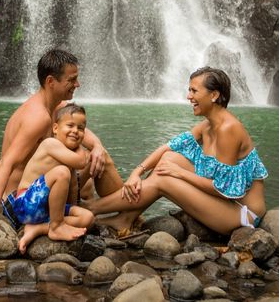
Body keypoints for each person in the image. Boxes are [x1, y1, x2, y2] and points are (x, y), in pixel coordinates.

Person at [0, 49, 123, 251]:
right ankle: (126, 214)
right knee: (84, 171)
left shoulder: (57, 106)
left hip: (42, 191)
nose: (78, 84)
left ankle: (125, 215)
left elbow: (86, 134)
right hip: (22, 203)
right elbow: (5, 163)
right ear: (51, 82)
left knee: (98, 161)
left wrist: (98, 147)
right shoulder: (38, 118)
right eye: (72, 79)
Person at [85, 67, 268, 235]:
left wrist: (179, 173)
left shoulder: (228, 129)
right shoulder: (208, 125)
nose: (189, 96)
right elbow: (169, 147)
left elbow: (223, 190)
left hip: (242, 214)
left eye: (194, 91)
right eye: (189, 90)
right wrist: (136, 172)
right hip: (226, 203)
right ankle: (125, 219)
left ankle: (91, 208)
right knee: (169, 158)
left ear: (214, 95)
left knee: (164, 178)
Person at [4, 103, 94, 254]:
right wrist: (80, 148)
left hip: (46, 210)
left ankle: (39, 228)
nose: (75, 131)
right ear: (55, 129)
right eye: (70, 125)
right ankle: (56, 226)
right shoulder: (50, 144)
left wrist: (73, 210)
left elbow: (72, 190)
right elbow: (81, 161)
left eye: (80, 128)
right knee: (61, 172)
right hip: (25, 204)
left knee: (88, 218)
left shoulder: (66, 156)